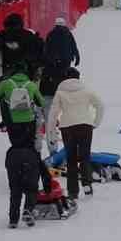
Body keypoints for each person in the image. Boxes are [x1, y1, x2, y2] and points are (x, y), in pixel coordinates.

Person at [50, 69, 104, 199]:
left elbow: (53, 114)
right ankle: (87, 184)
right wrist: (95, 123)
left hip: (67, 127)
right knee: (85, 156)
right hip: (85, 126)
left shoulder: (60, 92)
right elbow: (100, 106)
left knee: (71, 159)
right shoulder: (86, 90)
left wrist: (51, 132)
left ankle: (73, 191)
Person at [0, 67, 45, 151]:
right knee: (28, 146)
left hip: (12, 121)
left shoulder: (5, 84)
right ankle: (29, 161)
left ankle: (16, 160)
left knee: (16, 146)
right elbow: (41, 103)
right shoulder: (31, 85)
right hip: (29, 123)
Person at [0, 12, 42, 83]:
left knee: (7, 89)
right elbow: (35, 51)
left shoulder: (3, 34)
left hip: (7, 69)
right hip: (24, 69)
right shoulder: (28, 35)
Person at [44, 15, 81, 95]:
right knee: (64, 74)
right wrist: (77, 56)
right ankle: (65, 90)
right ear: (64, 24)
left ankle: (56, 91)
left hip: (53, 60)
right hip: (66, 59)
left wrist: (47, 59)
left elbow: (46, 47)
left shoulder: (51, 34)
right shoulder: (68, 34)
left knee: (55, 75)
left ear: (55, 24)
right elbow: (73, 45)